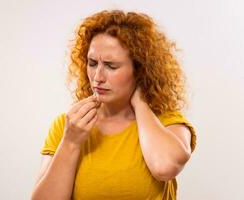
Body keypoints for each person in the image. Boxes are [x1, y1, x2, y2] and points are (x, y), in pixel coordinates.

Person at [31, 9, 197, 200]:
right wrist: (70, 142)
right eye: (92, 63)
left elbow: (164, 167)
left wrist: (140, 102)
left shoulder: (167, 122)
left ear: (140, 71)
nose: (98, 77)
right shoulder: (68, 126)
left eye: (111, 66)